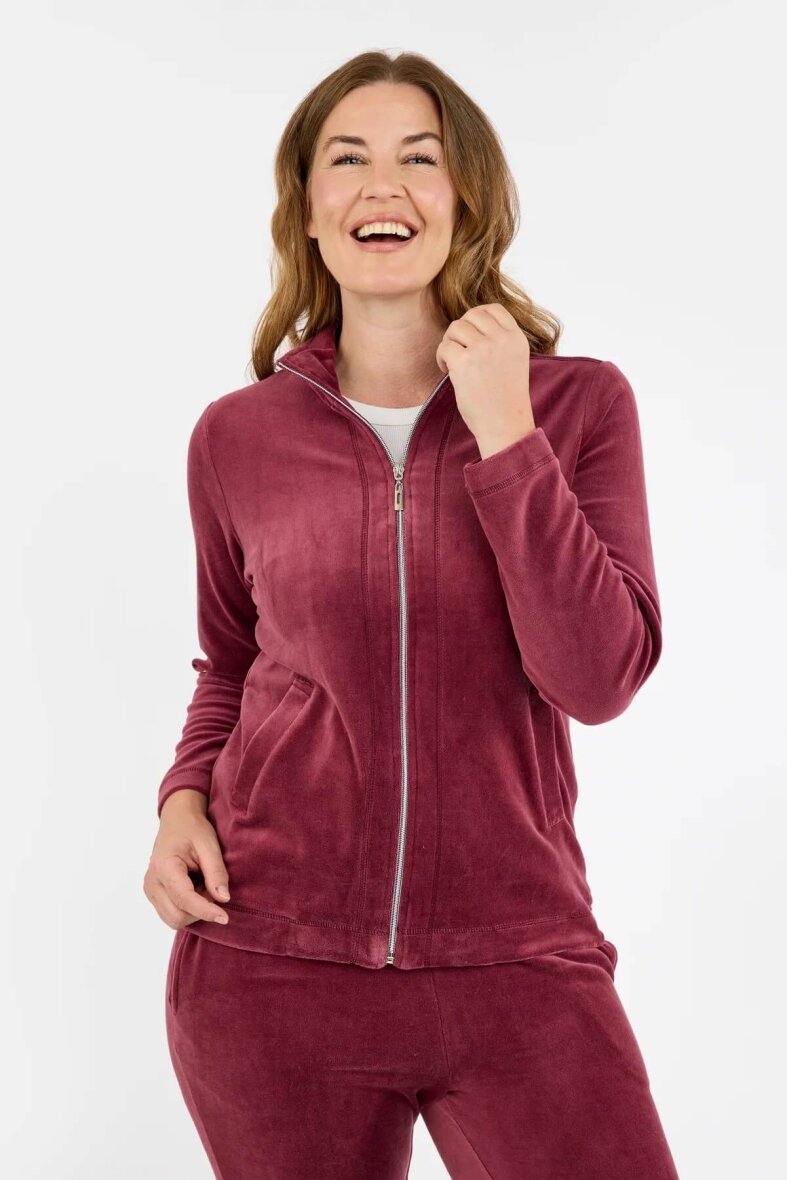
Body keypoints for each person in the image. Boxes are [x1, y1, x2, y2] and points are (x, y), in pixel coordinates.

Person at [143, 49, 680, 1180]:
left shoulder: (576, 404)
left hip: (517, 957)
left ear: (465, 198)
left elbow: (597, 677)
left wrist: (506, 435)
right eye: (347, 159)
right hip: (270, 963)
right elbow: (230, 660)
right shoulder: (237, 435)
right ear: (307, 206)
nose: (381, 184)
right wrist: (182, 796)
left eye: (418, 158)